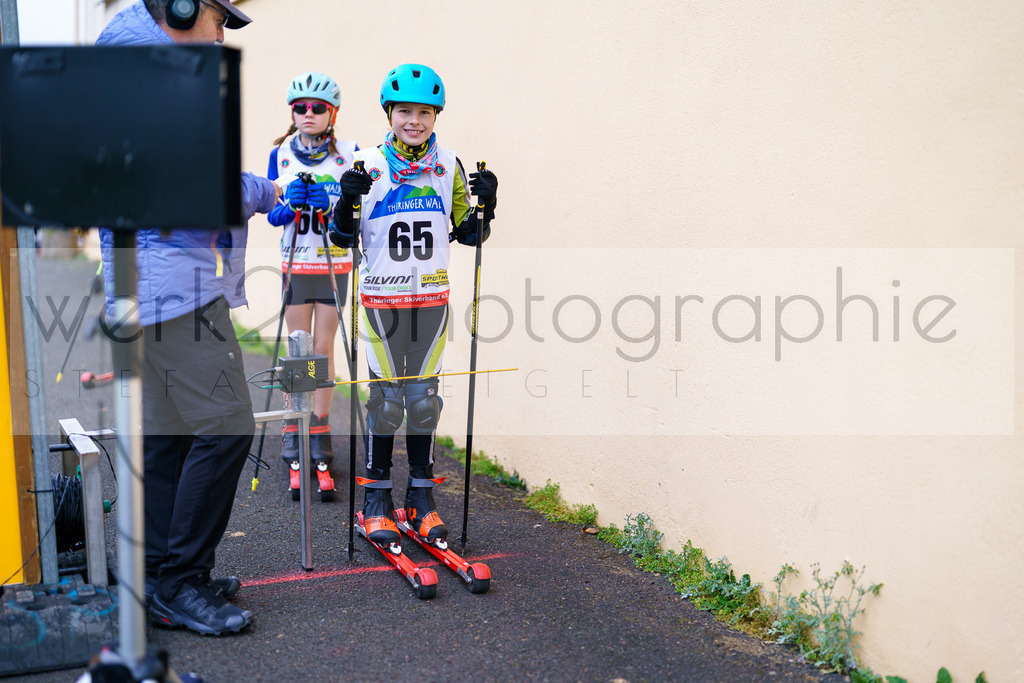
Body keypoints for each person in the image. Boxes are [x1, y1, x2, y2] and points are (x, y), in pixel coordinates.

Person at [96, 0, 280, 636]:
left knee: (170, 435)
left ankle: (153, 575)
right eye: (220, 18)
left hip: (146, 285)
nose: (223, 35)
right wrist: (266, 191)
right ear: (181, 7)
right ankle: (181, 582)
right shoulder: (155, 71)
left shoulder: (137, 62)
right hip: (175, 287)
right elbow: (198, 185)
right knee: (227, 428)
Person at [329, 63, 498, 549]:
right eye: (404, 111)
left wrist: (489, 203)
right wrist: (346, 201)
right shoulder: (364, 165)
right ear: (388, 113)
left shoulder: (449, 165)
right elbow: (341, 238)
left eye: (424, 112)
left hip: (431, 303)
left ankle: (421, 499)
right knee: (385, 404)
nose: (414, 121)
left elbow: (471, 232)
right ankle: (376, 498)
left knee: (424, 404)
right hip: (381, 301)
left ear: (435, 115)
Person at [265, 71, 358, 480]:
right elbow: (270, 213)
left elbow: (354, 215)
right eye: (300, 107)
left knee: (322, 349)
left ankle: (319, 429)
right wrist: (290, 208)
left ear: (332, 113)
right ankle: (292, 427)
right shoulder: (280, 153)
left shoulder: (350, 155)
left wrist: (329, 206)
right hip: (296, 265)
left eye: (317, 108)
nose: (308, 114)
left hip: (334, 264)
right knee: (298, 349)